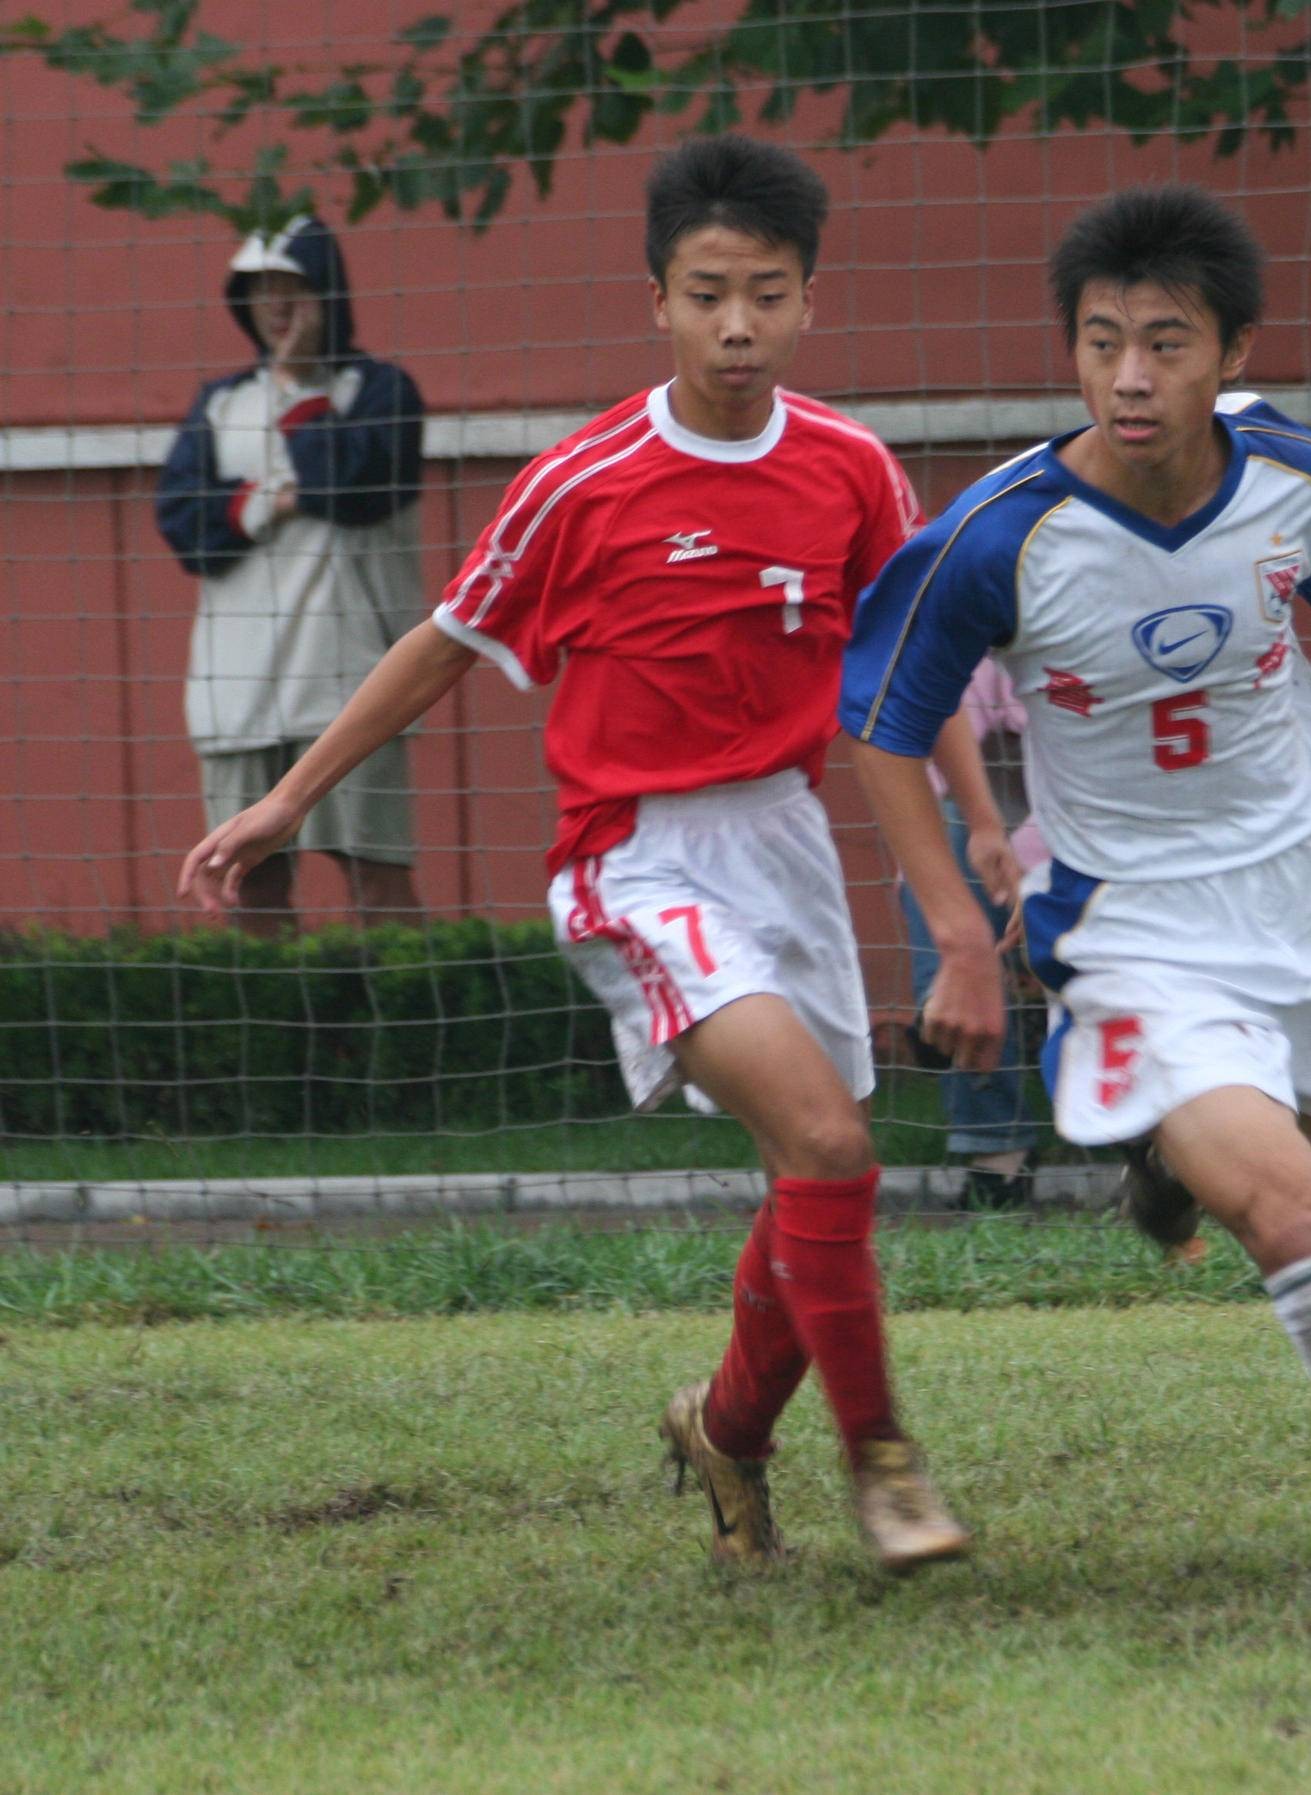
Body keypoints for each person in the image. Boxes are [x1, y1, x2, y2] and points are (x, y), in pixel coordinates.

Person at [180, 136, 1006, 1572]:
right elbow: (444, 638)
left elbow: (908, 662)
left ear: (809, 300)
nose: (737, 325)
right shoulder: (587, 478)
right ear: (658, 302)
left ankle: (727, 1426)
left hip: (786, 838)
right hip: (635, 859)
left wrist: (978, 820)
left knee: (820, 1175)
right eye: (707, 294)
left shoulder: (854, 468)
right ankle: (884, 1461)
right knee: (826, 1140)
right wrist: (289, 800)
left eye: (766, 294)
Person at [841, 186, 1311, 1536]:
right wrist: (964, 924)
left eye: (1165, 342)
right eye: (1102, 342)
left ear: (1233, 353)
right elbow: (878, 720)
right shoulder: (1001, 537)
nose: (1131, 376)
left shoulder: (1287, 473)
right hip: (1138, 928)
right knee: (1297, 1225)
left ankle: (1165, 1158)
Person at [156, 214, 426, 935]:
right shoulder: (219, 405)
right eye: (261, 290)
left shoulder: (379, 391)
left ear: (330, 292)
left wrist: (306, 396)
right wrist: (263, 503)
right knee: (250, 887)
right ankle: (288, 1043)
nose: (277, 307)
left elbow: (355, 487)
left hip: (352, 683)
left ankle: (404, 1032)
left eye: (295, 288)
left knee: (376, 875)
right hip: (237, 687)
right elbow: (184, 526)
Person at [898, 659, 1048, 1209]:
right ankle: (996, 1149)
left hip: (1100, 830)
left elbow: (1098, 786)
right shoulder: (966, 619)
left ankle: (1154, 1141)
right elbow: (929, 783)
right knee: (936, 859)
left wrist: (1034, 877)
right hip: (993, 846)